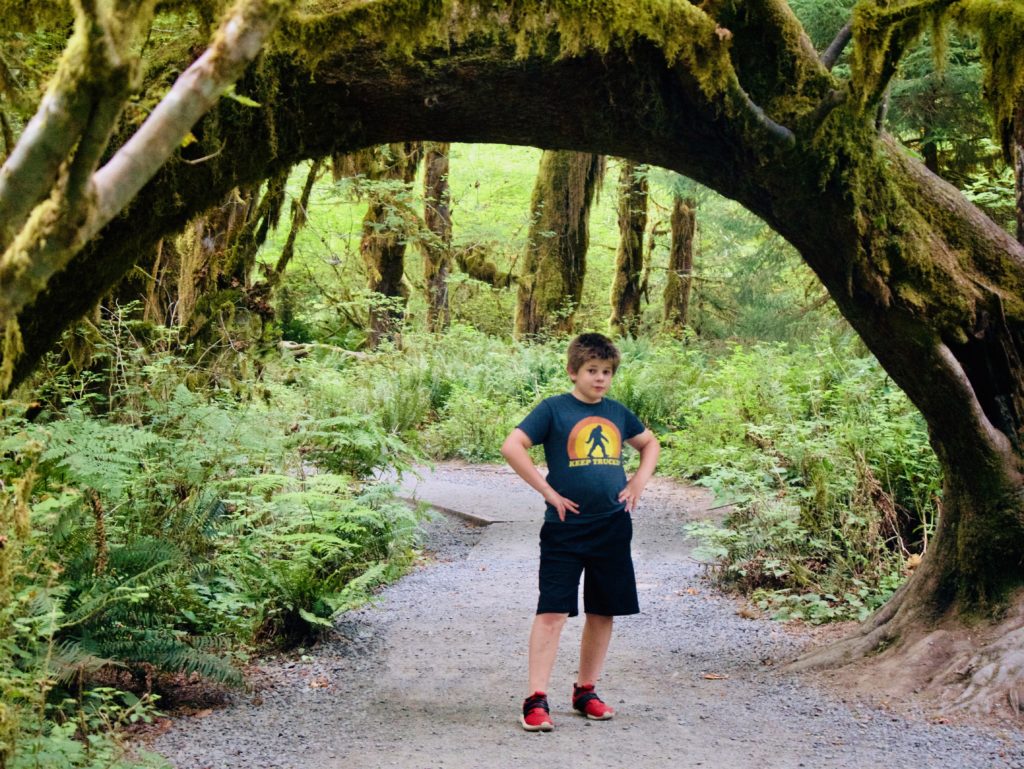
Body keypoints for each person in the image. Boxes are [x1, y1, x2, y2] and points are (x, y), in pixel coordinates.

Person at [500, 332, 660, 732]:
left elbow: (650, 444)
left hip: (612, 526)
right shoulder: (554, 410)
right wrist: (548, 491)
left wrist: (639, 481)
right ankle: (535, 699)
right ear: (574, 371)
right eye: (592, 370)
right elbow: (512, 446)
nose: (600, 378)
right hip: (566, 528)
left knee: (603, 609)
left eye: (606, 372)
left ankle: (585, 690)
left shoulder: (619, 413)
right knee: (553, 610)